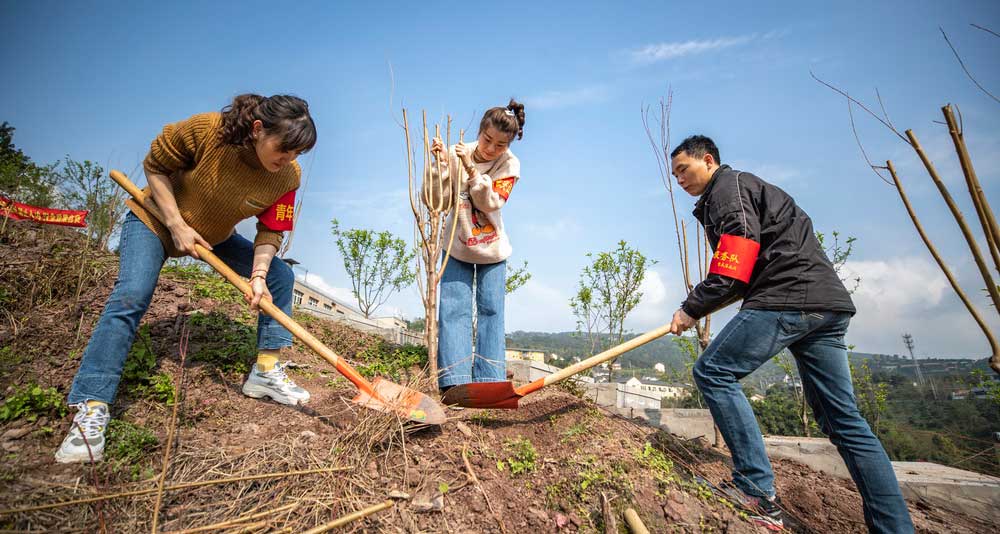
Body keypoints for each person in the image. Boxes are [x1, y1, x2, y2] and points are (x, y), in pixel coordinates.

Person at [666, 135, 913, 533]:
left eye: (684, 169)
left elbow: (733, 268)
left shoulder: (727, 190)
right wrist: (702, 304)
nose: (679, 179)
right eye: (674, 173)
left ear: (708, 161)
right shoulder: (748, 189)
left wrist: (691, 308)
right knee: (844, 421)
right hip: (826, 304)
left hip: (788, 295)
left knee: (713, 372)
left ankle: (755, 491)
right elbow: (743, 273)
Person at [56, 94, 317, 463]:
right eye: (284, 149)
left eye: (297, 154)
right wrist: (176, 224)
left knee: (280, 275)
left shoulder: (287, 176)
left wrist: (258, 275)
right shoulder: (209, 131)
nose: (288, 160)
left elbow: (271, 231)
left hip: (214, 236)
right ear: (258, 130)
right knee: (131, 295)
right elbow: (155, 165)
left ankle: (266, 372)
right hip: (156, 220)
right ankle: (91, 406)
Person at [427, 99, 524, 393]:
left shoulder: (510, 164)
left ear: (509, 144)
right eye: (487, 140)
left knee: (492, 310)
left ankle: (489, 379)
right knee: (453, 308)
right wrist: (441, 165)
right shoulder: (458, 152)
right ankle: (454, 381)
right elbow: (436, 201)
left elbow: (489, 201)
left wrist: (471, 170)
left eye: (500, 144)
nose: (490, 149)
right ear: (479, 131)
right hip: (457, 243)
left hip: (492, 247)